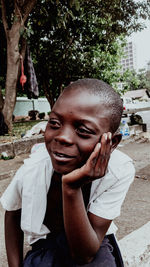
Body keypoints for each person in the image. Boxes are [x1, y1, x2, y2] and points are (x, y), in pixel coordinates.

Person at [0, 79, 135, 267]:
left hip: (92, 243)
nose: (62, 137)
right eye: (54, 123)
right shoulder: (34, 167)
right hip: (45, 247)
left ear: (111, 143)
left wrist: (71, 188)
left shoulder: (118, 170)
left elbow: (84, 255)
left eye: (83, 130)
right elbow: (12, 213)